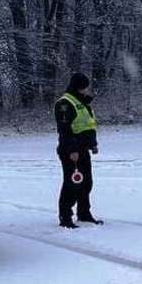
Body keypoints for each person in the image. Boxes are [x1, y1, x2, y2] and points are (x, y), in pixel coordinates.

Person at [55, 72, 102, 228]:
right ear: (78, 87)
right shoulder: (65, 103)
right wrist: (72, 150)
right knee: (72, 183)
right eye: (84, 87)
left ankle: (84, 213)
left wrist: (93, 144)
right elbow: (65, 129)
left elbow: (88, 126)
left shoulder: (82, 103)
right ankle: (65, 216)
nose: (87, 90)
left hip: (83, 149)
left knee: (86, 182)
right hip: (70, 151)